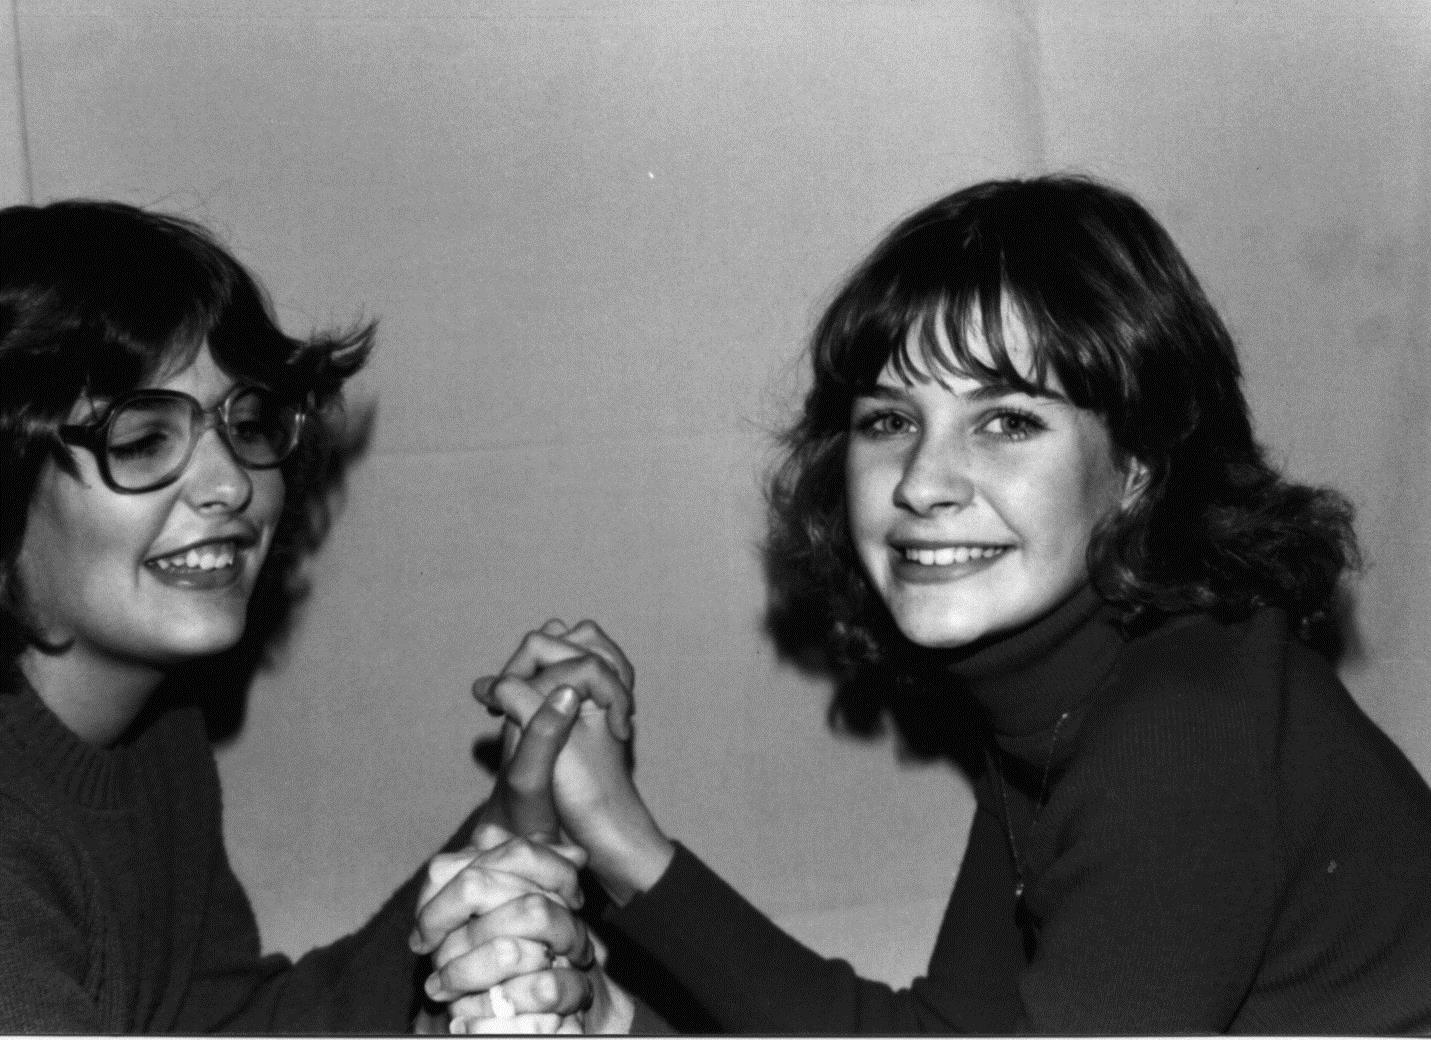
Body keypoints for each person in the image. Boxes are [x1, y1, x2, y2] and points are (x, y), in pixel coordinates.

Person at [413, 174, 1431, 1033]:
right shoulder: (1072, 698)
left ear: (1137, 468)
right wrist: (616, 862)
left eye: (1007, 421)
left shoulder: (1180, 727)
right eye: (890, 419)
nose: (922, 481)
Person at [0, 198, 610, 1032]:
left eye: (246, 424)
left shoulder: (156, 733)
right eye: (142, 440)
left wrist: (505, 825)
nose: (232, 483)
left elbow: (231, 1027)